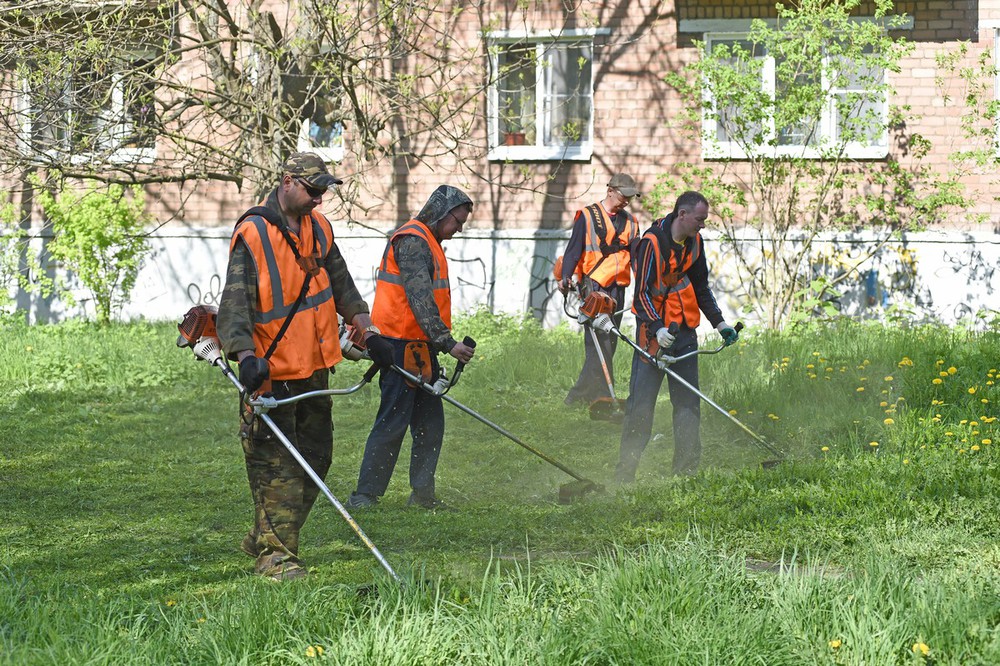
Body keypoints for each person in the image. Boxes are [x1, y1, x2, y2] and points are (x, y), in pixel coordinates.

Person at [217, 152, 395, 581]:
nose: (318, 199)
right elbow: (235, 303)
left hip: (314, 369)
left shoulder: (320, 229)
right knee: (278, 466)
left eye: (322, 192)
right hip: (270, 375)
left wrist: (367, 331)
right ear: (287, 182)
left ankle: (264, 533)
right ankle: (275, 559)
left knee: (316, 459)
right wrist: (245, 358)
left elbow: (343, 284)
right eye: (313, 190)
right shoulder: (254, 232)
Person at [346, 186, 476, 511]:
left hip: (421, 347)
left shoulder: (431, 241)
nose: (458, 229)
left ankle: (422, 495)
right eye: (457, 222)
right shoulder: (413, 241)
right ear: (441, 213)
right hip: (396, 346)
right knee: (392, 422)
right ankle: (365, 496)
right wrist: (448, 343)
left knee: (430, 425)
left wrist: (437, 344)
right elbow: (420, 301)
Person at [615, 190, 738, 482]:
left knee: (687, 403)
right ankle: (624, 474)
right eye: (699, 219)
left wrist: (720, 323)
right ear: (682, 215)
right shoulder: (651, 244)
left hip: (684, 334)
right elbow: (641, 293)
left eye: (704, 220)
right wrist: (657, 327)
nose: (702, 225)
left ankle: (686, 473)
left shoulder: (695, 243)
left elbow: (700, 287)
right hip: (653, 335)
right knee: (641, 405)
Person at [557, 173, 641, 407]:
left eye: (630, 197)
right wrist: (566, 276)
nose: (627, 201)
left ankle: (582, 394)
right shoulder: (587, 216)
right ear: (611, 190)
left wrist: (643, 285)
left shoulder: (632, 223)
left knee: (608, 341)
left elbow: (637, 259)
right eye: (624, 195)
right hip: (594, 285)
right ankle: (599, 396)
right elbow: (574, 249)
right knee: (598, 340)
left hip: (619, 287)